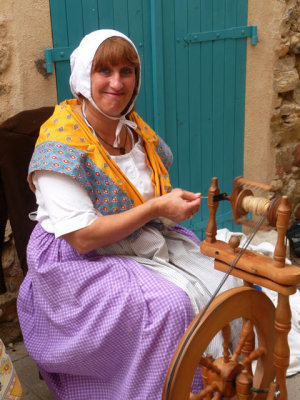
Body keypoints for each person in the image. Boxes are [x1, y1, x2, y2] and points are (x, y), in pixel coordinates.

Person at [17, 29, 238, 400]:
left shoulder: (133, 130)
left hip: (136, 238)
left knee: (226, 280)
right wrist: (155, 208)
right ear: (84, 76)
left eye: (126, 71)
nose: (117, 83)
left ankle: (211, 379)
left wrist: (168, 203)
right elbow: (83, 236)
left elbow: (135, 193)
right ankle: (156, 391)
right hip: (76, 261)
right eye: (104, 71)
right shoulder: (60, 145)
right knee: (169, 307)